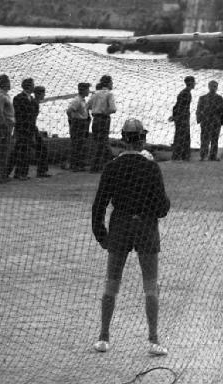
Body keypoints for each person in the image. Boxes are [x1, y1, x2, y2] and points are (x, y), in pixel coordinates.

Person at [91, 118, 170, 356]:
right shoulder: (151, 167)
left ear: (123, 139)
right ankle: (154, 340)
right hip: (146, 225)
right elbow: (162, 208)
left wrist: (102, 235)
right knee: (150, 286)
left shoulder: (112, 167)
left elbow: (99, 205)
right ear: (142, 139)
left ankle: (104, 337)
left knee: (111, 283)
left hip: (120, 225)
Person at [6, 78, 36, 180]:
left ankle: (22, 173)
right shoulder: (18, 98)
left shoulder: (31, 99)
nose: (34, 87)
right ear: (28, 86)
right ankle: (13, 173)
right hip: (21, 128)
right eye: (32, 85)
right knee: (19, 151)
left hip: (29, 128)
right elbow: (18, 114)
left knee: (25, 151)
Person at [87, 75, 117, 172]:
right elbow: (113, 109)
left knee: (97, 142)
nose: (112, 84)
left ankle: (100, 164)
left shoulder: (95, 93)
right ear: (108, 83)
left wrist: (96, 109)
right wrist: (105, 111)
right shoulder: (109, 94)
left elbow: (88, 106)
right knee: (103, 142)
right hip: (104, 119)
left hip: (95, 119)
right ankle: (103, 164)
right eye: (111, 82)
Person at [67, 82, 91, 172]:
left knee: (81, 144)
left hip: (83, 123)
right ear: (84, 90)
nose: (89, 91)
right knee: (77, 144)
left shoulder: (83, 100)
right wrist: (72, 120)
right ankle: (75, 165)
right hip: (78, 123)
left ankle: (79, 164)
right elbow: (69, 111)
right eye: (87, 89)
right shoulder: (77, 100)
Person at [169, 76, 195, 161]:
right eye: (194, 82)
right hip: (182, 118)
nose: (195, 84)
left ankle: (182, 156)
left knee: (181, 136)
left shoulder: (186, 92)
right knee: (182, 137)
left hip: (182, 117)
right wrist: (175, 116)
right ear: (190, 83)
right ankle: (180, 156)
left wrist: (174, 116)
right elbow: (179, 106)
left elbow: (176, 106)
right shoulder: (185, 93)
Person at [196, 80, 223, 161]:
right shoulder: (202, 98)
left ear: (217, 88)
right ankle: (203, 155)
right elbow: (198, 109)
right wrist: (199, 119)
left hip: (216, 121)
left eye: (215, 86)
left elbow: (222, 110)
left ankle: (213, 156)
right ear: (208, 87)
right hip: (206, 121)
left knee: (215, 139)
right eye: (212, 86)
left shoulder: (220, 98)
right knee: (204, 139)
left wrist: (221, 121)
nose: (213, 88)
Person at [31, 86, 51, 178]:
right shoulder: (34, 103)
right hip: (31, 128)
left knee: (41, 149)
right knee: (42, 149)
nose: (45, 95)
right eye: (43, 93)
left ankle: (41, 171)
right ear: (39, 94)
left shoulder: (35, 102)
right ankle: (41, 171)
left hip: (32, 128)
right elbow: (32, 119)